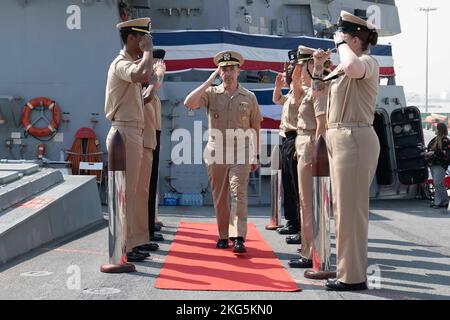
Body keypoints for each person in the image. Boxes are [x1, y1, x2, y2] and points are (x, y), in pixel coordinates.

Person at [312, 11, 380, 291]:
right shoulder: (343, 65)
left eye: (342, 36)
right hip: (339, 138)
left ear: (354, 39)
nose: (336, 41)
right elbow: (318, 92)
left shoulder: (366, 62)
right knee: (342, 210)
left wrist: (340, 44)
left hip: (355, 137)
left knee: (351, 211)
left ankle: (353, 278)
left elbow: (352, 68)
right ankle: (345, 269)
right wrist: (317, 66)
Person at [184, 51, 263, 253]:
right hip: (216, 151)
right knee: (220, 196)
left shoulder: (249, 97)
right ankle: (223, 235)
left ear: (239, 71)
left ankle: (238, 237)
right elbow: (189, 103)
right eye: (224, 69)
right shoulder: (211, 93)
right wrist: (209, 80)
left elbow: (255, 128)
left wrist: (255, 154)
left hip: (241, 151)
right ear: (220, 72)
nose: (227, 73)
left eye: (231, 69)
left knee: (239, 193)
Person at [104, 17, 154, 263]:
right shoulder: (121, 64)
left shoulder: (131, 63)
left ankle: (130, 243)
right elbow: (143, 73)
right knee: (127, 192)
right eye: (143, 38)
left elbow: (147, 80)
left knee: (132, 192)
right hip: (124, 132)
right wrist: (148, 52)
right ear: (132, 37)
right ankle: (124, 245)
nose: (146, 42)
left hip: (133, 131)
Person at [288, 46, 327, 269]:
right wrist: (297, 73)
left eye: (305, 66)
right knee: (305, 201)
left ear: (314, 68)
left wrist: (315, 152)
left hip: (312, 142)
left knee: (309, 202)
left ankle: (311, 252)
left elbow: (321, 124)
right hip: (303, 141)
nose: (301, 71)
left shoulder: (318, 90)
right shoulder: (308, 90)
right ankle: (308, 248)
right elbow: (296, 93)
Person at [131, 49, 167, 259]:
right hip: (141, 142)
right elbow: (146, 95)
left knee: (145, 192)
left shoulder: (148, 90)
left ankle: (143, 237)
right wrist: (158, 75)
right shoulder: (140, 88)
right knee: (138, 195)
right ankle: (137, 239)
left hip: (149, 141)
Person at [272, 50, 301, 239]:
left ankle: (301, 227)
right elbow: (277, 99)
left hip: (296, 138)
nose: (289, 70)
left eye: (293, 67)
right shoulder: (291, 92)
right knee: (289, 186)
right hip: (286, 140)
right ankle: (292, 222)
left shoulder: (301, 91)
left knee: (298, 187)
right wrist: (277, 86)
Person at [146, 50, 166, 243]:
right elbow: (155, 83)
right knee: (146, 186)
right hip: (145, 137)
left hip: (153, 136)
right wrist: (158, 72)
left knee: (151, 185)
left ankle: (149, 227)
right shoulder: (146, 84)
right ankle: (145, 231)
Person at [426, 123, 450, 209]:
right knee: (438, 184)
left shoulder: (445, 140)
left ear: (439, 130)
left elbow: (446, 153)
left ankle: (442, 201)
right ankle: (442, 202)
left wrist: (433, 153)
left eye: (436, 128)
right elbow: (430, 149)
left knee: (438, 183)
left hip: (440, 164)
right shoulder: (435, 139)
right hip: (433, 164)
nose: (435, 130)